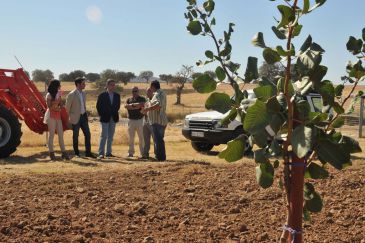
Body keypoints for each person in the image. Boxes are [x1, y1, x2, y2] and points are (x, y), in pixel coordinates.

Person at [65, 77, 95, 158]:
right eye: (83, 83)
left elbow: (82, 105)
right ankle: (76, 153)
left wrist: (86, 112)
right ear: (78, 84)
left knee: (88, 135)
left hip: (84, 117)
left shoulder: (84, 93)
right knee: (75, 136)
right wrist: (67, 120)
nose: (84, 85)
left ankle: (88, 153)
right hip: (75, 118)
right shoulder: (71, 94)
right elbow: (67, 109)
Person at [142, 80, 168, 161]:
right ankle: (161, 157)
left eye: (150, 86)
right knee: (159, 140)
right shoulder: (161, 93)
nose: (150, 88)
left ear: (153, 86)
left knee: (158, 140)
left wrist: (147, 109)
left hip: (157, 121)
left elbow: (158, 105)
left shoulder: (157, 94)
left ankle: (160, 158)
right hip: (158, 121)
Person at [45, 79, 69, 161]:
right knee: (51, 135)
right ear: (56, 86)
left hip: (58, 116)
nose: (60, 86)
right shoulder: (49, 95)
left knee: (60, 134)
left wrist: (62, 106)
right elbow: (49, 106)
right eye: (59, 85)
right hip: (51, 115)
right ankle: (51, 153)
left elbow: (61, 104)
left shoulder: (59, 94)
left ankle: (64, 152)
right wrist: (57, 108)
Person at [96, 79, 120, 159]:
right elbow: (98, 106)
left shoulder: (117, 95)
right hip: (104, 118)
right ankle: (101, 153)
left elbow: (118, 106)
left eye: (114, 85)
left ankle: (108, 153)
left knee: (111, 136)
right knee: (104, 136)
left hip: (113, 117)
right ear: (107, 85)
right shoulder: (102, 95)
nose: (113, 86)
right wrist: (102, 114)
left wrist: (113, 113)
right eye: (111, 85)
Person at [124, 87, 146, 157]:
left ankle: (143, 153)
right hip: (131, 120)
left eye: (135, 91)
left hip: (140, 120)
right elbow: (126, 106)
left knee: (141, 137)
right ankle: (131, 153)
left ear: (138, 91)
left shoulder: (142, 98)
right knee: (131, 138)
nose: (134, 92)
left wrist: (132, 106)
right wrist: (136, 106)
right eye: (133, 91)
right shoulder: (129, 99)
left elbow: (142, 105)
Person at [141, 88, 154, 159]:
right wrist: (143, 110)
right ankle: (145, 154)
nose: (147, 93)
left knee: (155, 139)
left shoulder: (155, 100)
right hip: (145, 121)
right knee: (145, 140)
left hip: (152, 122)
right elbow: (143, 111)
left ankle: (157, 154)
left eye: (149, 91)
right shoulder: (147, 101)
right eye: (147, 92)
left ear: (153, 92)